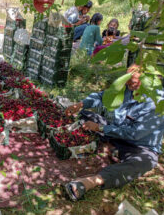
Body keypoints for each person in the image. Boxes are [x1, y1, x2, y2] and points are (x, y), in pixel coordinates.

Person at [63, 64, 164, 201]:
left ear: (147, 82)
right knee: (86, 115)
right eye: (126, 79)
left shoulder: (156, 103)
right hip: (114, 133)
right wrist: (81, 104)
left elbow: (135, 134)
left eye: (132, 82)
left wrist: (100, 128)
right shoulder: (126, 86)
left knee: (146, 161)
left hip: (138, 146)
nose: (127, 84)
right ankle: (112, 148)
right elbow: (101, 96)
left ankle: (92, 181)